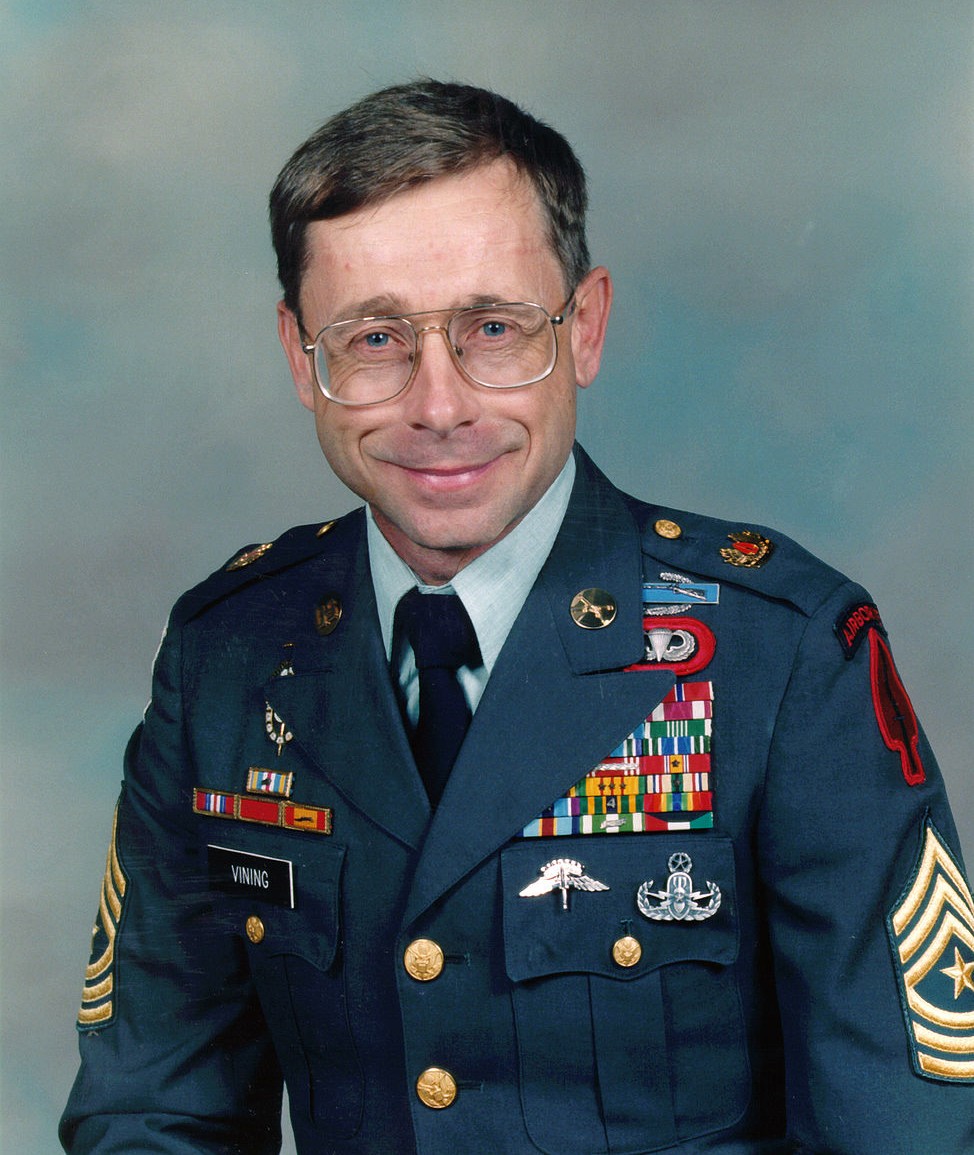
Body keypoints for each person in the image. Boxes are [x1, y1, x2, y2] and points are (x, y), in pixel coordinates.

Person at [60, 79, 974, 1155]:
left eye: (493, 328)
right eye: (373, 339)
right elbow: (153, 1112)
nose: (438, 406)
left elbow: (906, 1129)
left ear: (584, 329)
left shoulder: (782, 653)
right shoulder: (227, 658)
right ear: (300, 358)